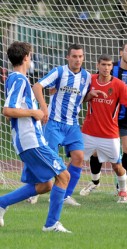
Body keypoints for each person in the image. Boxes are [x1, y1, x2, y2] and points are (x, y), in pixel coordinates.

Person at [0, 41, 71, 232]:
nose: (31, 59)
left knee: (45, 184)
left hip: (28, 140)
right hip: (31, 141)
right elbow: (7, 110)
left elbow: (13, 111)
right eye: (30, 55)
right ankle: (51, 225)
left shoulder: (16, 79)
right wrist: (34, 113)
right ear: (25, 57)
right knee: (64, 176)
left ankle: (2, 203)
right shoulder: (19, 79)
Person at [30, 44, 97, 206]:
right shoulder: (59, 71)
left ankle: (65, 195)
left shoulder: (87, 77)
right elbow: (37, 86)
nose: (77, 59)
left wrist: (90, 96)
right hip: (53, 123)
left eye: (80, 56)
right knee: (47, 160)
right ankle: (35, 190)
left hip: (72, 125)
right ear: (68, 57)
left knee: (79, 157)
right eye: (74, 56)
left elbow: (80, 97)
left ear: (83, 57)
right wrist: (44, 107)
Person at [80, 42, 127, 195]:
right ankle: (95, 181)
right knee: (95, 153)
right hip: (107, 116)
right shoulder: (110, 68)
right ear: (121, 53)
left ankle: (121, 185)